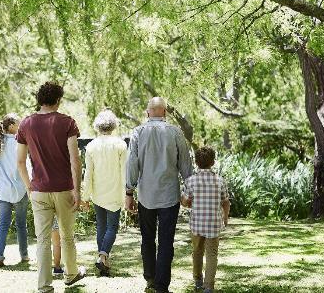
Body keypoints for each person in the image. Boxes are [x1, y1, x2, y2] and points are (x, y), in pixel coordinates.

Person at [16, 82, 86, 293]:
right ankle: (71, 274)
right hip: (64, 188)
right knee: (67, 235)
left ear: (39, 100)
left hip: (39, 190)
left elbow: (19, 161)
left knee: (43, 240)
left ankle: (44, 286)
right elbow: (75, 160)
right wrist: (77, 190)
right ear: (58, 100)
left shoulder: (25, 124)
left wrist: (30, 188)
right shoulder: (67, 123)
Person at [126, 97, 193, 293]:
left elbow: (132, 164)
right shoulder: (175, 132)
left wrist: (129, 191)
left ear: (148, 113)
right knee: (166, 241)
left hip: (146, 195)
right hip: (169, 196)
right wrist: (190, 190)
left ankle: (150, 278)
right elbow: (185, 164)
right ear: (165, 113)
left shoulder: (138, 132)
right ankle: (162, 285)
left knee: (147, 238)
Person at [82, 109, 127, 276]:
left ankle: (104, 262)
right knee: (112, 227)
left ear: (98, 126)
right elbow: (124, 172)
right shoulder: (121, 145)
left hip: (98, 193)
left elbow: (88, 174)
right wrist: (126, 195)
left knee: (101, 226)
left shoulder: (91, 146)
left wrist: (85, 196)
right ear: (113, 125)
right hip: (115, 193)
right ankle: (103, 257)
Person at [181, 146, 230, 293]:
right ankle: (208, 287)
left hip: (197, 224)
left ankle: (197, 280)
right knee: (212, 254)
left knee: (197, 252)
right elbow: (226, 202)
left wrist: (182, 199)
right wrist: (225, 218)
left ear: (196, 162)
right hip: (214, 224)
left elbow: (186, 202)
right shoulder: (220, 181)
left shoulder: (191, 181)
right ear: (213, 162)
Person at [0, 113, 29, 268]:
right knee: (21, 224)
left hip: (3, 190)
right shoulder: (20, 142)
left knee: (3, 224)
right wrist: (29, 185)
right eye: (19, 123)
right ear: (11, 126)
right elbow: (26, 165)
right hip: (20, 189)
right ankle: (24, 256)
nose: (21, 126)